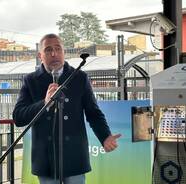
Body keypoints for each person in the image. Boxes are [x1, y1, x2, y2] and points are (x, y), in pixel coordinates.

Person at [13, 33, 121, 184]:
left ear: (64, 52)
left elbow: (93, 113)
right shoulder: (30, 80)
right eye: (48, 50)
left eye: (58, 49)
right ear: (40, 55)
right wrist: (44, 103)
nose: (54, 53)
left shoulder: (80, 77)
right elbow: (18, 117)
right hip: (45, 158)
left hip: (75, 154)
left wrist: (105, 136)